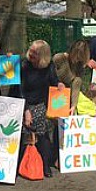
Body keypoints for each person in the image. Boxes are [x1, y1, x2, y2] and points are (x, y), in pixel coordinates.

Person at [10, 40, 65, 178]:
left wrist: (59, 84)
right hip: (23, 101)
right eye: (31, 50)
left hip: (40, 102)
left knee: (42, 131)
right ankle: (15, 166)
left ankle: (45, 165)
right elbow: (19, 89)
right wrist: (26, 110)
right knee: (22, 133)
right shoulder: (23, 65)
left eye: (36, 52)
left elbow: (53, 80)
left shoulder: (49, 65)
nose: (31, 53)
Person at [53, 39, 90, 110]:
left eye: (81, 58)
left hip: (68, 97)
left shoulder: (80, 65)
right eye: (77, 56)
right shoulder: (59, 58)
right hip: (55, 94)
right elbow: (52, 75)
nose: (78, 60)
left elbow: (77, 83)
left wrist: (74, 105)